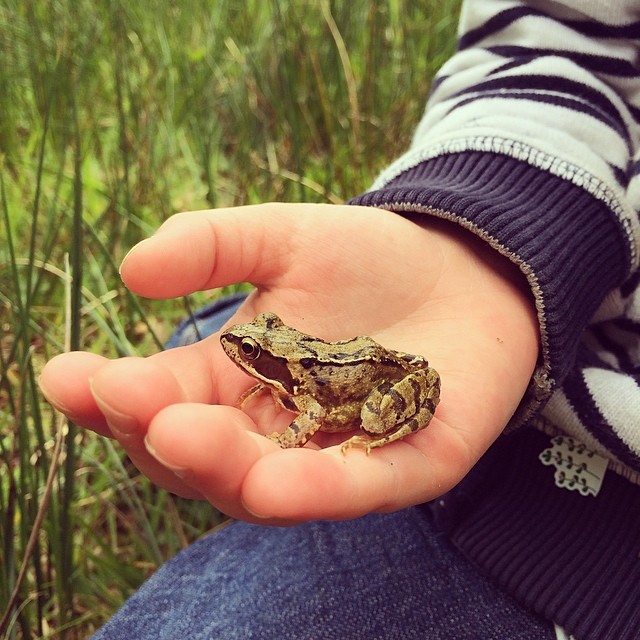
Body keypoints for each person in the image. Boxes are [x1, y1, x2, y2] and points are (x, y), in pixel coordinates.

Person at [40, 1, 640, 638]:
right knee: (191, 348)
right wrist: (486, 237)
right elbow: (556, 50)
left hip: (586, 539)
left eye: (256, 353)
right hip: (460, 340)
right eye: (254, 349)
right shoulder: (279, 368)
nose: (247, 353)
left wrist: (298, 434)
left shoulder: (303, 387)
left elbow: (318, 412)